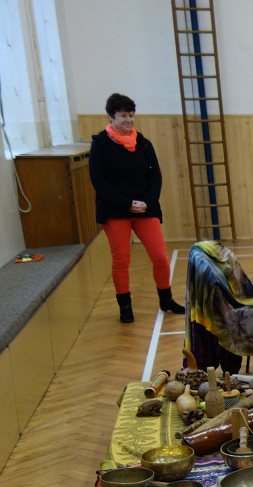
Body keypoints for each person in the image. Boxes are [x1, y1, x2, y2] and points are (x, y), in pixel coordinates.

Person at [89, 93, 184, 323]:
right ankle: (125, 306)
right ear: (111, 117)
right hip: (115, 209)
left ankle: (166, 299)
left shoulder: (143, 143)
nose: (128, 120)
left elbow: (156, 176)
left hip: (144, 208)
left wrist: (148, 202)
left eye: (131, 115)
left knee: (160, 256)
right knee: (121, 260)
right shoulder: (100, 144)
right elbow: (99, 181)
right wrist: (126, 203)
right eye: (123, 116)